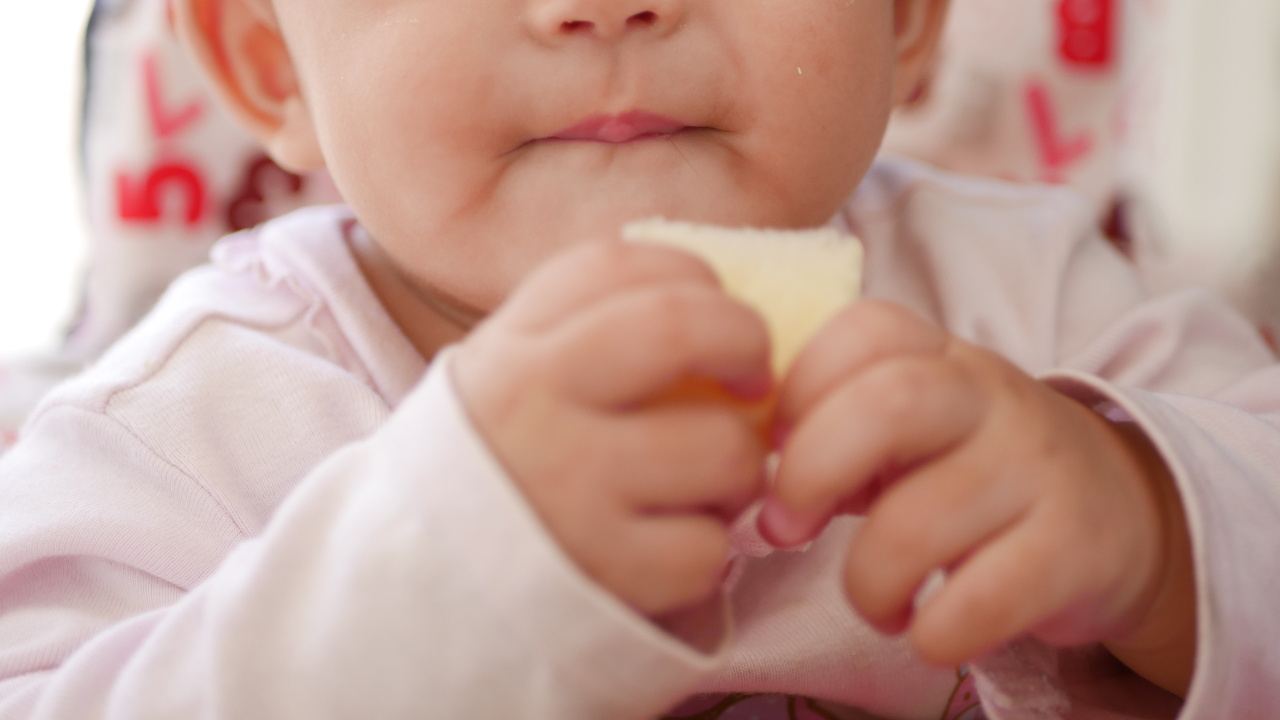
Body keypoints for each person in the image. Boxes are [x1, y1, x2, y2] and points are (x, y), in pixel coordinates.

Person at [0, 0, 1276, 717]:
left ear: (903, 17)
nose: (604, 6)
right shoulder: (182, 428)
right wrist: (432, 564)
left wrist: (1156, 529)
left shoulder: (1036, 299)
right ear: (267, 58)